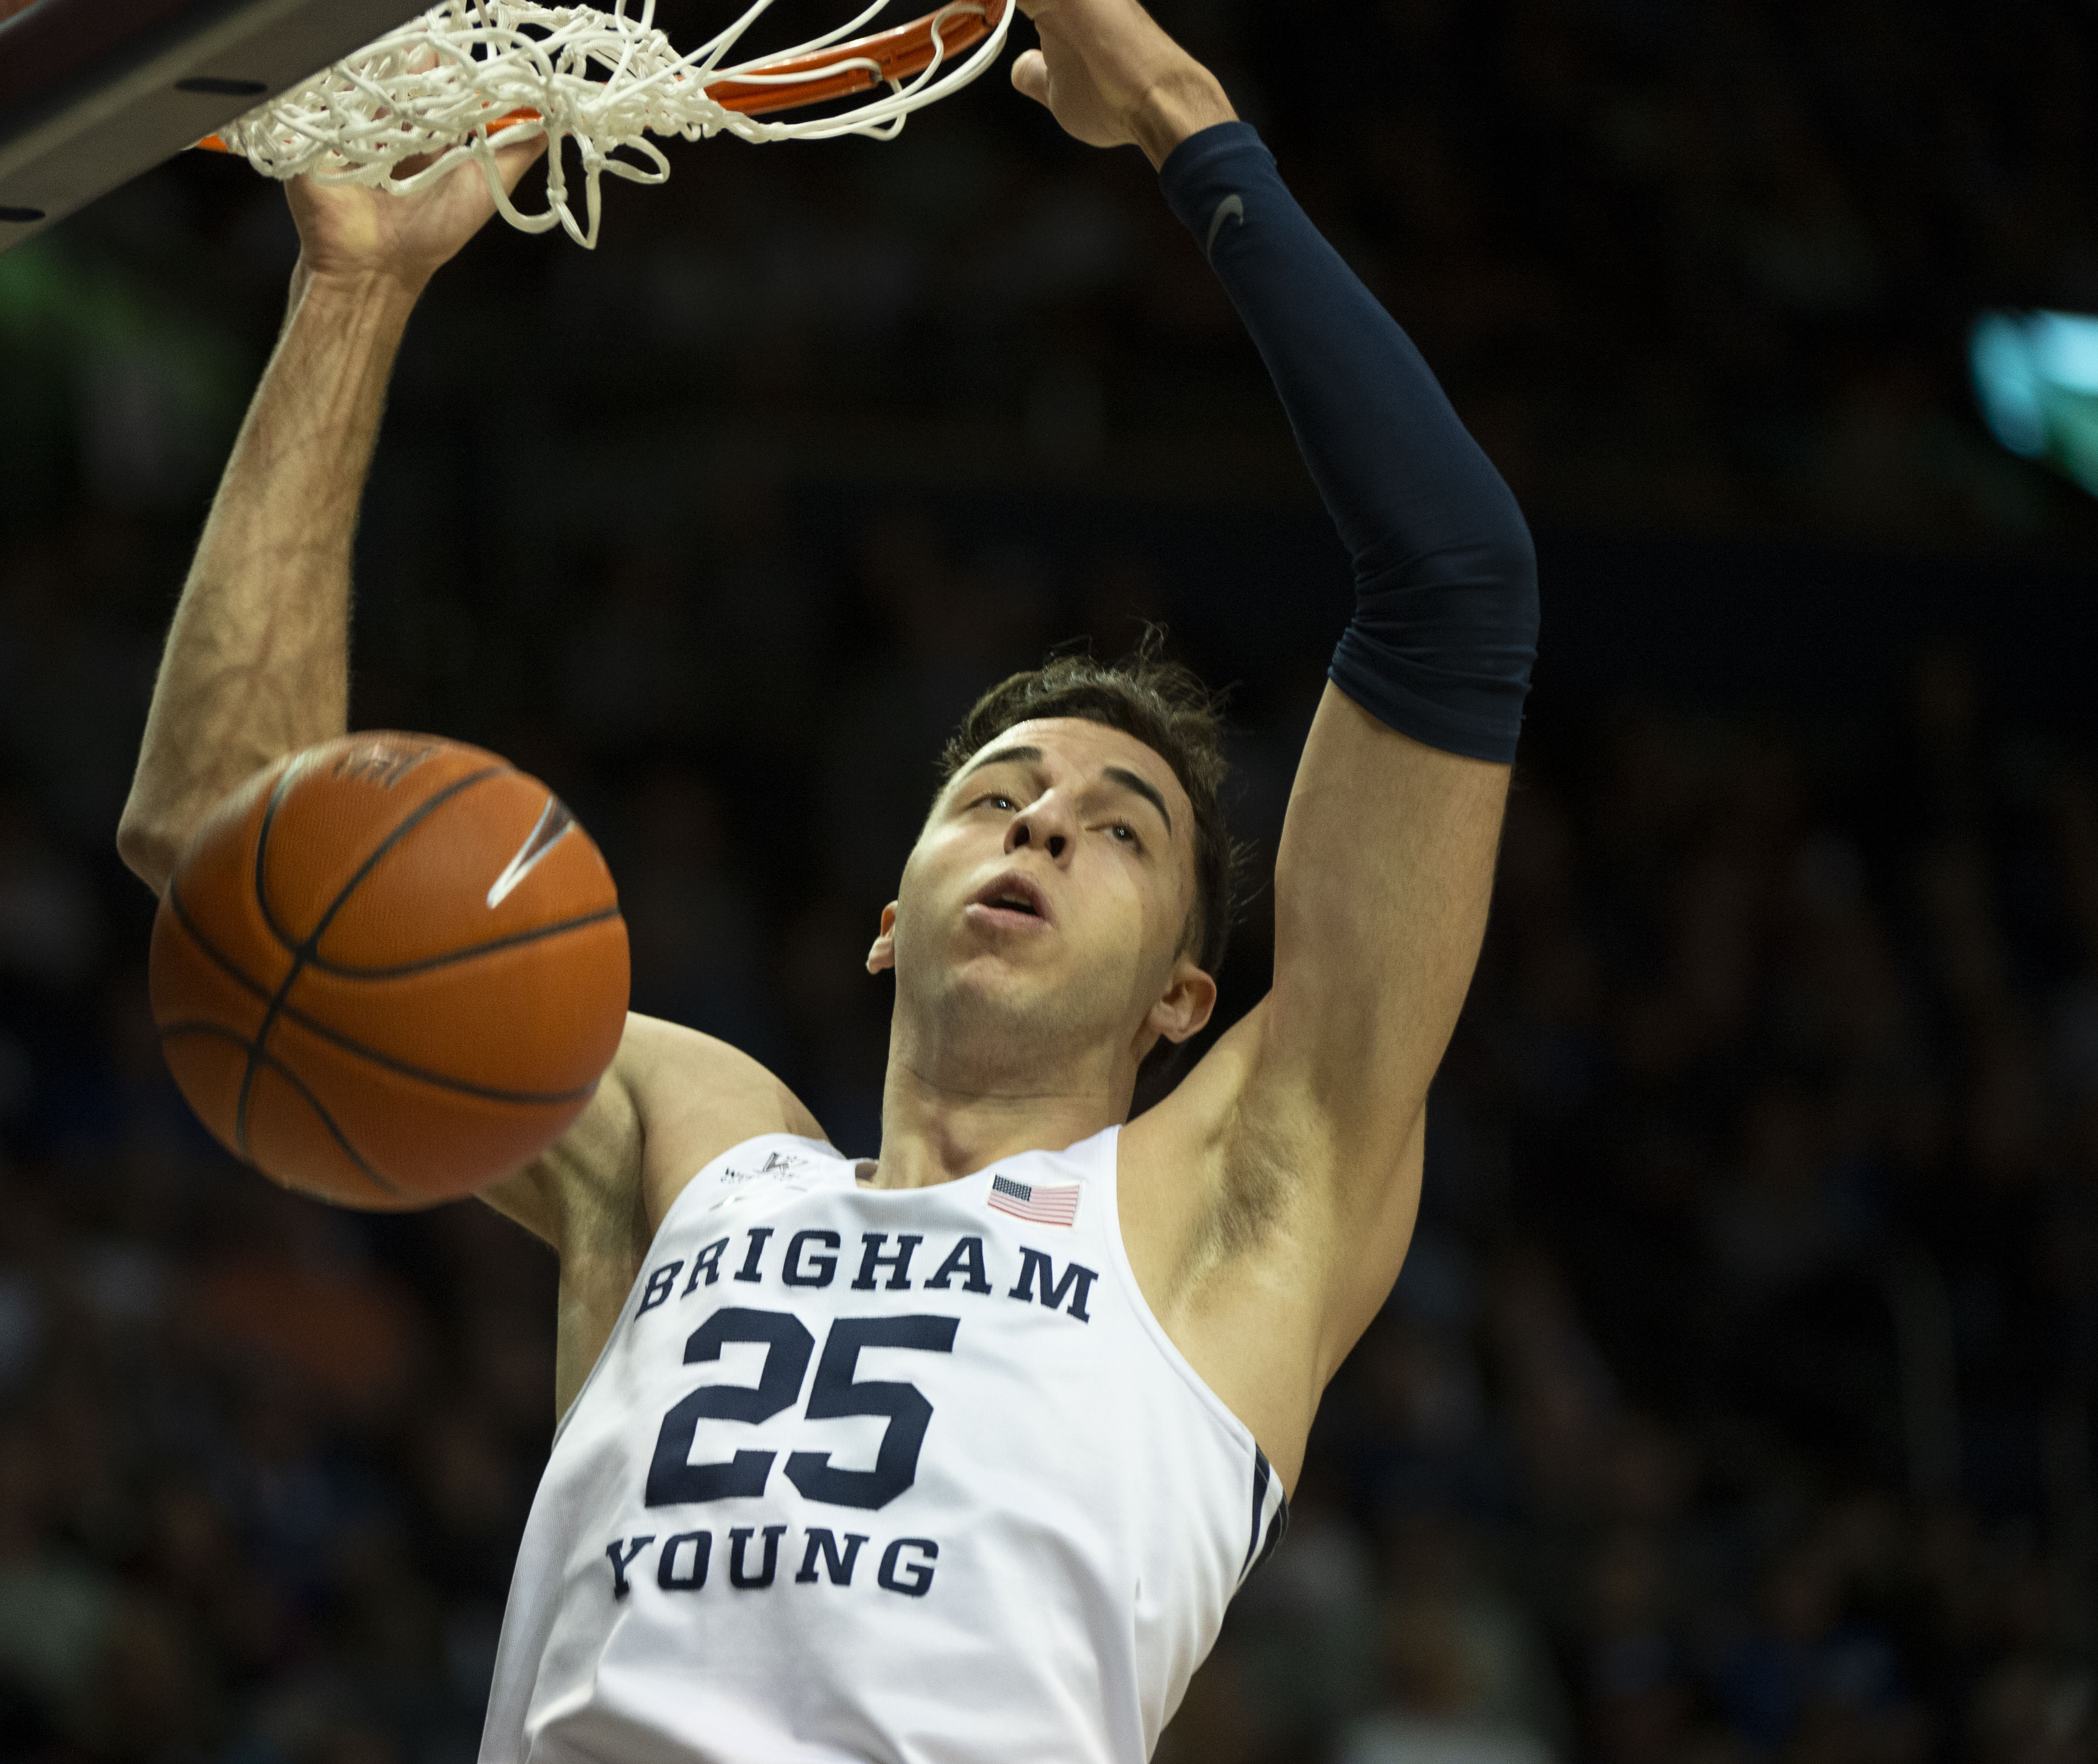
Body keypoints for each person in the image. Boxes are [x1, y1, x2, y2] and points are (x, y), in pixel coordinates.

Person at [115, 0, 1538, 1753]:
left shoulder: (1235, 1203)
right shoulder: (696, 1149)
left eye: (1120, 829)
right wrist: (353, 290)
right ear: (889, 918)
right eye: (998, 795)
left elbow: (1459, 583)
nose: (1039, 825)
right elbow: (217, 849)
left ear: (1188, 997)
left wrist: (1176, 113)